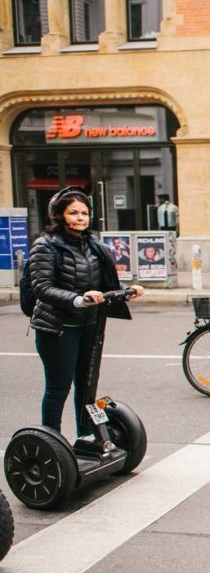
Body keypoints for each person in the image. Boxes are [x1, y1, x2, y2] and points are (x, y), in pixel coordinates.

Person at [29, 187, 145, 438]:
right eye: (73, 213)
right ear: (59, 215)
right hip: (58, 328)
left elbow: (103, 285)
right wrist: (77, 299)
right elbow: (42, 287)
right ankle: (52, 441)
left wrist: (125, 292)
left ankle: (85, 436)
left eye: (84, 213)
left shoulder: (93, 246)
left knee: (86, 386)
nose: (80, 217)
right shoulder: (45, 246)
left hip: (90, 325)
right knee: (58, 388)